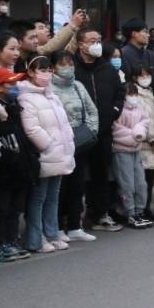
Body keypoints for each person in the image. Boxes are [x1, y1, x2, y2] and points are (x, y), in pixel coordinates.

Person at [17, 56, 75, 253]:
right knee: (38, 198)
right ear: (31, 72)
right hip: (44, 155)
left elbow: (64, 124)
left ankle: (51, 233)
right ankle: (36, 238)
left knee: (53, 197)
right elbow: (31, 128)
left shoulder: (52, 95)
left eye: (49, 70)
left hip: (60, 153)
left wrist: (67, 144)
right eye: (41, 70)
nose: (46, 74)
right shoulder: (25, 96)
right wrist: (48, 146)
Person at [0, 68, 38, 262]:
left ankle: (12, 240)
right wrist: (9, 159)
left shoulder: (13, 106)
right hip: (1, 172)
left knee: (15, 209)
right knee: (0, 209)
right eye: (11, 84)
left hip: (19, 169)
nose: (15, 87)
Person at [73, 27, 125, 231]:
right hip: (79, 132)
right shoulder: (72, 67)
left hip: (103, 130)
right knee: (76, 177)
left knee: (101, 174)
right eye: (92, 40)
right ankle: (74, 217)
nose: (97, 44)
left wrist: (114, 110)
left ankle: (100, 213)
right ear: (80, 44)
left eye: (99, 40)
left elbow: (120, 93)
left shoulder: (107, 69)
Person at [51, 50, 99, 241]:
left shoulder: (78, 86)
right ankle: (57, 226)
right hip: (59, 144)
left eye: (70, 63)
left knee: (77, 185)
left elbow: (92, 110)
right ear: (53, 67)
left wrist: (91, 130)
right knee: (60, 187)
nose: (68, 67)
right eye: (63, 63)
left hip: (79, 143)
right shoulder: (48, 87)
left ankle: (74, 225)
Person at [112, 82, 153, 228]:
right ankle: (130, 212)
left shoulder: (139, 108)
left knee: (141, 182)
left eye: (135, 94)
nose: (133, 97)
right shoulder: (118, 109)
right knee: (126, 183)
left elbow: (145, 122)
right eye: (130, 94)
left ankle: (139, 210)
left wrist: (139, 132)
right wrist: (134, 135)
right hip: (121, 151)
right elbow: (116, 130)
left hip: (136, 150)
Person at [134, 66, 154, 221]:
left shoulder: (152, 92)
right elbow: (138, 120)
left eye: (147, 74)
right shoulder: (134, 94)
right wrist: (152, 140)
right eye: (141, 75)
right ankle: (138, 209)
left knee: (150, 179)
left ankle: (146, 208)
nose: (145, 77)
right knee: (139, 180)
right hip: (142, 143)